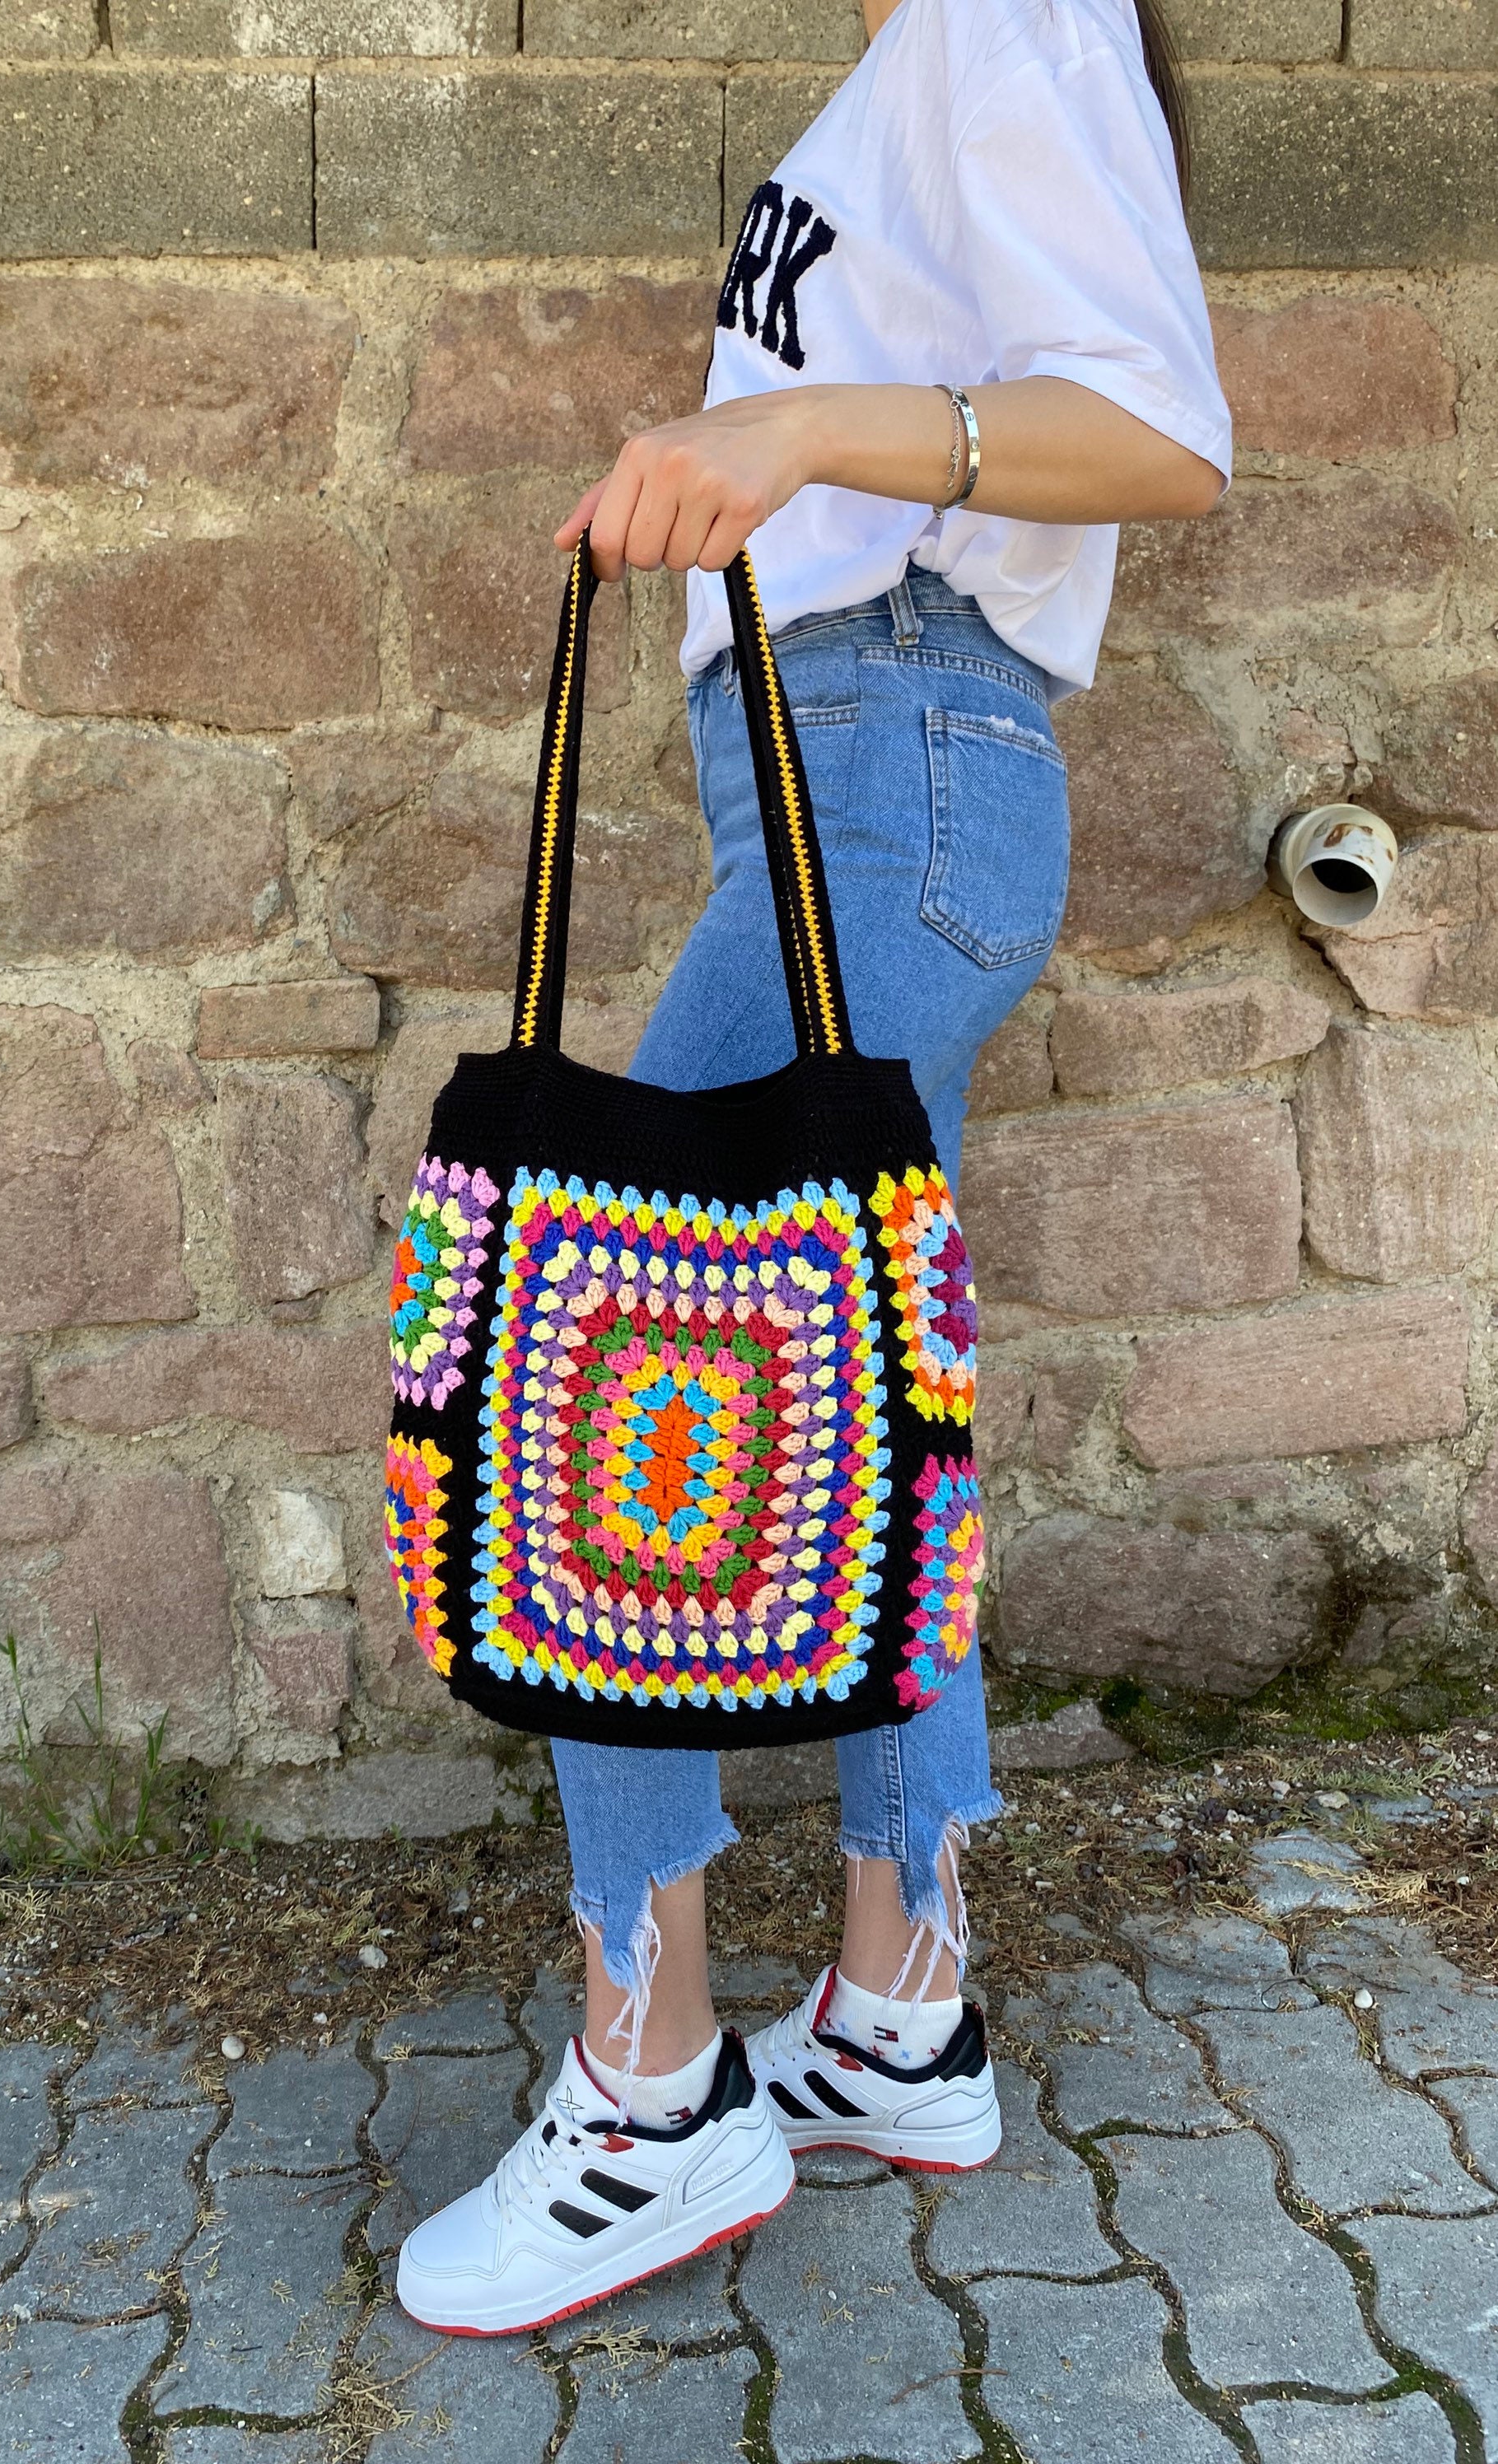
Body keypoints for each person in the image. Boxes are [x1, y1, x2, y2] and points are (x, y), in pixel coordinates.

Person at [396, 0, 1231, 2337]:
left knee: (593, 1391)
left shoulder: (1007, 14)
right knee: (869, 1431)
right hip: (852, 784)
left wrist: (779, 429)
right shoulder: (909, 64)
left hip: (898, 763)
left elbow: (1159, 432)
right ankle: (898, 2014)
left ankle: (653, 2099)